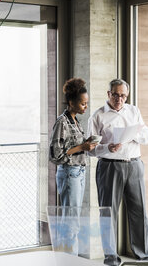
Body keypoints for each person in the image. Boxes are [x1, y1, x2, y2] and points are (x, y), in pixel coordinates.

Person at [88, 78, 148, 266]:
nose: (119, 98)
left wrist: (134, 134)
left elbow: (146, 136)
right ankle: (111, 260)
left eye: (123, 95)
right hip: (109, 167)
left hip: (134, 165)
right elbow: (90, 148)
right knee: (108, 214)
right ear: (108, 94)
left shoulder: (134, 111)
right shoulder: (97, 116)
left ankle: (145, 257)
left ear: (127, 95)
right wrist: (108, 147)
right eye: (115, 94)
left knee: (140, 213)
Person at [49, 78, 98, 254]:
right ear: (71, 102)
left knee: (72, 220)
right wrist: (81, 147)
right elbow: (56, 154)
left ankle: (67, 259)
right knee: (71, 223)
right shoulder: (62, 122)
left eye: (87, 103)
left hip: (78, 173)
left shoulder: (75, 121)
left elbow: (72, 148)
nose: (86, 107)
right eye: (83, 103)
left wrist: (85, 145)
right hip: (70, 174)